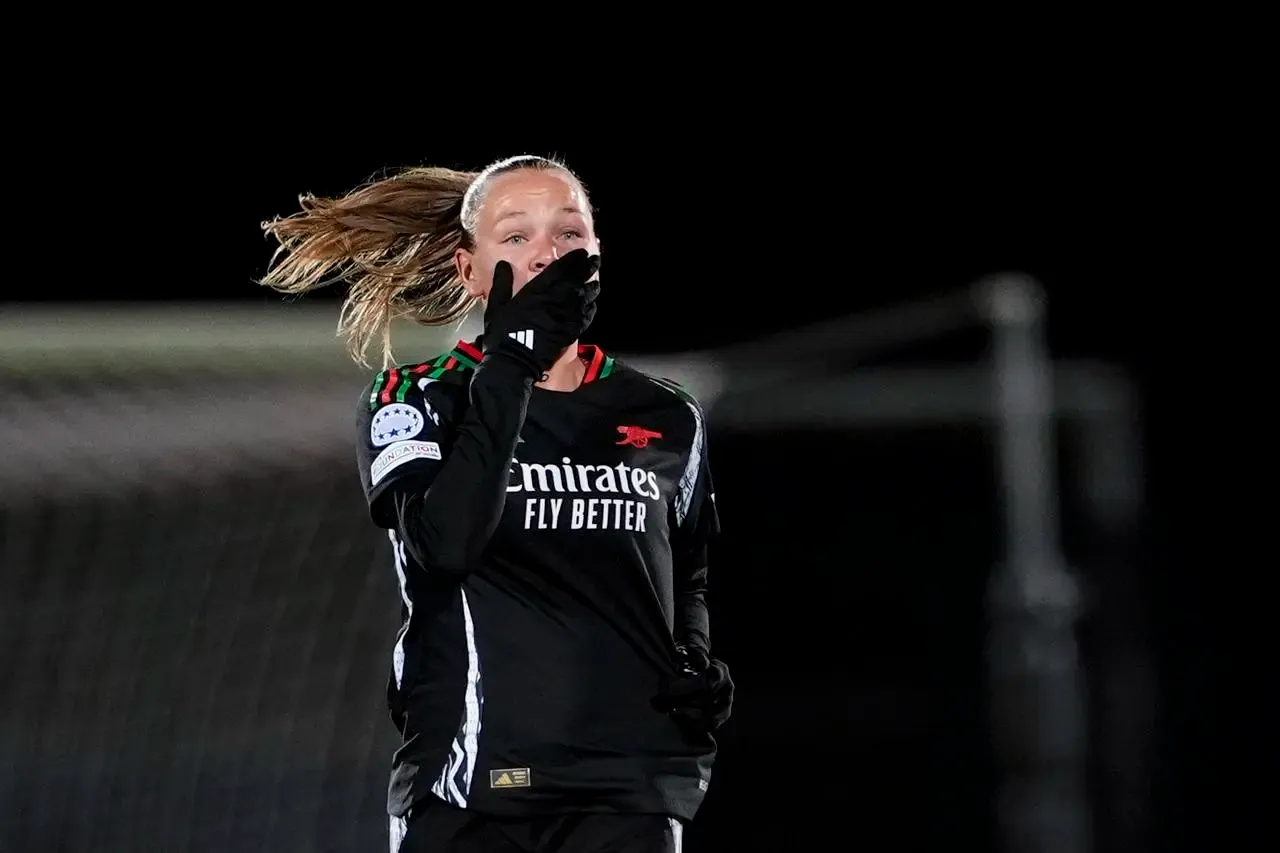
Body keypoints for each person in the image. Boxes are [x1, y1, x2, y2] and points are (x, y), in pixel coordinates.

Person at [259, 154, 733, 853]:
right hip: (470, 792)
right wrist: (513, 360)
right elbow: (443, 546)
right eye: (515, 236)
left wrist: (694, 655)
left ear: (597, 255)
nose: (547, 252)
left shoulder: (666, 414)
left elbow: (686, 571)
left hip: (625, 792)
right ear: (468, 269)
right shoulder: (418, 398)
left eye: (570, 233)